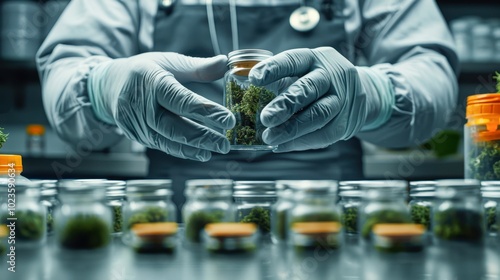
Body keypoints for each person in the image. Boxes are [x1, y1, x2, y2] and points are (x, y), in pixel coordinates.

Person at [36, 0, 458, 217]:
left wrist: (374, 94)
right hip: (182, 216)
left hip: (327, 218)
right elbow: (63, 72)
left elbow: (433, 76)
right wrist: (102, 86)